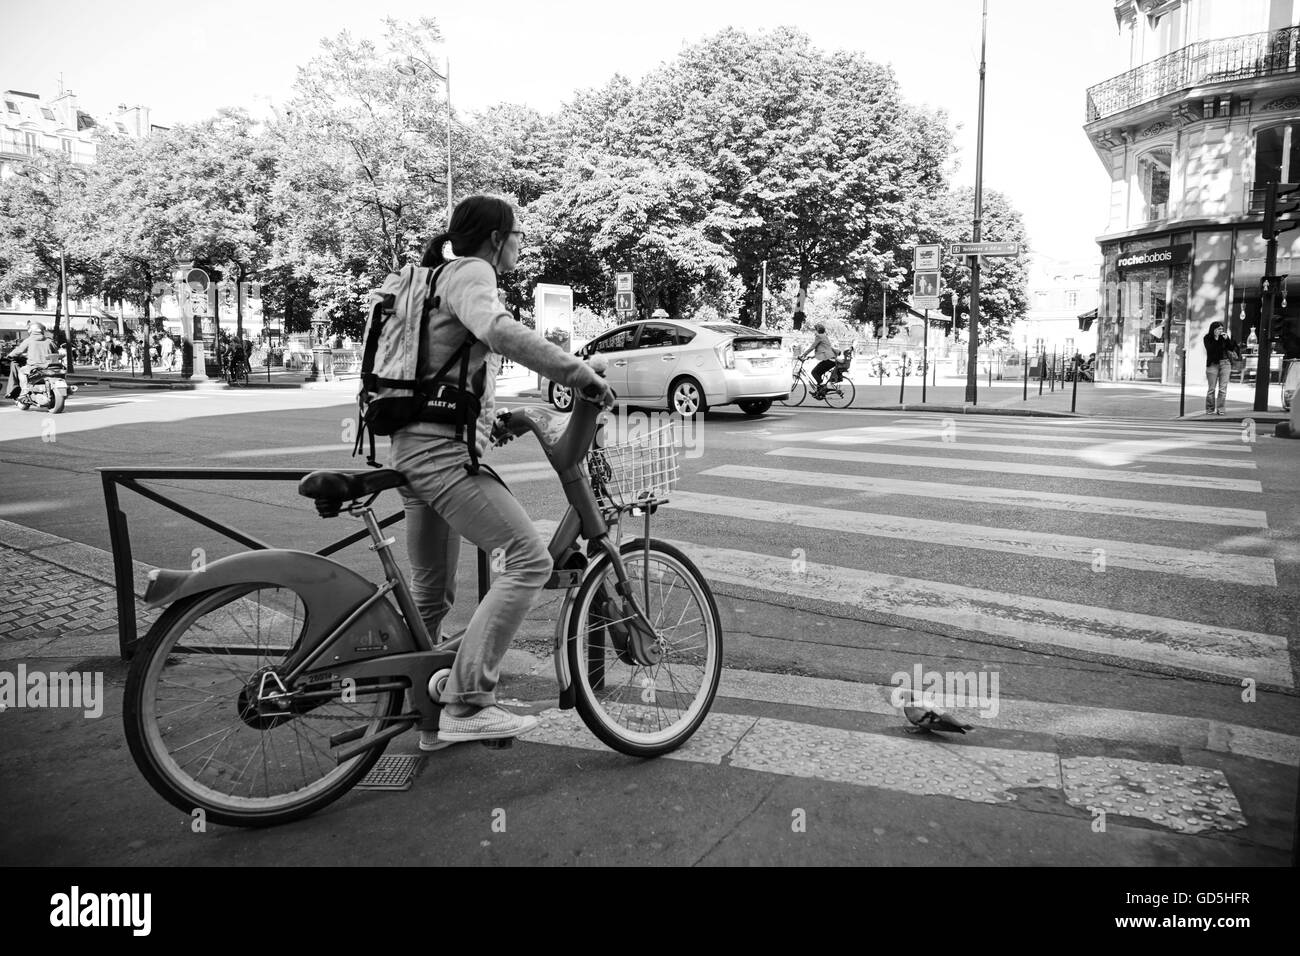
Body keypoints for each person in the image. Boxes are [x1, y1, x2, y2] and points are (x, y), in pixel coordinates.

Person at [391, 194, 614, 749]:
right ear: (496, 239)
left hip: (409, 445)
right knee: (528, 558)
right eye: (517, 235)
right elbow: (495, 330)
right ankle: (468, 703)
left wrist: (494, 421)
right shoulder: (471, 272)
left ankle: (426, 719)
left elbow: (439, 373)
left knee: (431, 597)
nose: (520, 244)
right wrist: (578, 373)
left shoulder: (430, 275)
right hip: (438, 457)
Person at [6, 322, 54, 395]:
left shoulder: (29, 340)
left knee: (22, 371)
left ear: (30, 331)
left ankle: (24, 390)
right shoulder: (49, 341)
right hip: (49, 367)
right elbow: (56, 351)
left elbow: (19, 350)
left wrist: (10, 355)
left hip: (35, 366)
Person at [1203, 320, 1238, 415]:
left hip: (1225, 364)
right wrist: (1217, 338)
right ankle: (1210, 409)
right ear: (1213, 330)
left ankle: (1221, 409)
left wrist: (1227, 339)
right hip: (1212, 365)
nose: (1221, 330)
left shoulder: (1224, 338)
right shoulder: (1207, 338)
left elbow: (1231, 348)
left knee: (1223, 388)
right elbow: (1211, 350)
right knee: (1212, 389)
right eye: (1219, 329)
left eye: (1222, 329)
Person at [800, 323, 837, 396]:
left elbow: (812, 347)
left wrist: (803, 355)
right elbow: (824, 349)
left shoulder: (819, 336)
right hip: (832, 360)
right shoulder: (825, 336)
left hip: (828, 360)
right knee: (818, 373)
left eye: (815, 330)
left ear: (817, 330)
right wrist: (812, 356)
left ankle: (823, 388)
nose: (814, 332)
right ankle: (819, 392)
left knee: (814, 372)